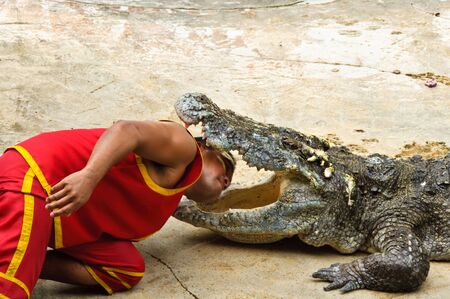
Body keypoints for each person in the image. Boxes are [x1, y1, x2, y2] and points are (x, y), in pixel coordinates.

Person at [0, 119, 236, 298]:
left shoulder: (167, 201)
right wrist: (89, 177)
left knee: (127, 268)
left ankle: (23, 260)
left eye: (228, 182)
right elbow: (126, 130)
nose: (226, 180)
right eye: (225, 164)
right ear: (205, 147)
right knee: (10, 289)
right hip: (38, 177)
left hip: (55, 208)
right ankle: (16, 264)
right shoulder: (184, 146)